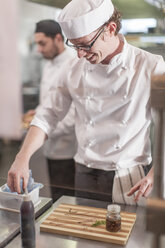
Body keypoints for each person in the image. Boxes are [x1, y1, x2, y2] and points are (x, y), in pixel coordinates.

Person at [8, 0, 165, 205]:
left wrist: (156, 173)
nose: (80, 54)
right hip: (83, 172)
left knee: (127, 235)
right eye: (74, 46)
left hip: (129, 176)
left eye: (85, 45)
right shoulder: (73, 67)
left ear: (110, 29)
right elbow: (48, 115)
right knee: (83, 230)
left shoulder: (151, 66)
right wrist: (22, 157)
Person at [23, 20, 77, 198]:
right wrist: (37, 113)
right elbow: (48, 103)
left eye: (42, 43)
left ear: (58, 38)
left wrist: (42, 129)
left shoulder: (74, 63)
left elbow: (73, 114)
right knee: (56, 196)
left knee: (67, 201)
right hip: (50, 149)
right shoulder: (48, 65)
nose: (39, 49)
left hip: (70, 150)